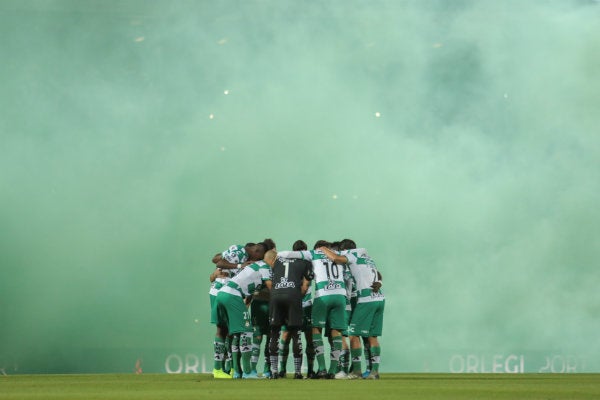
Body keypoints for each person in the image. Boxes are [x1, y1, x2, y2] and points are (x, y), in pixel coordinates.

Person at [277, 240, 347, 379]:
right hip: (340, 295)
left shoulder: (313, 254)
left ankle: (321, 369)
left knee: (316, 329)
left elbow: (287, 254)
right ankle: (332, 371)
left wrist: (274, 254)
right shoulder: (337, 254)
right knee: (336, 332)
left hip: (323, 295)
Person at [320, 240, 384, 380]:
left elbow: (336, 258)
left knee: (353, 335)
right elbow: (378, 274)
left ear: (345, 250)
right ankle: (374, 372)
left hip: (365, 299)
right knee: (372, 336)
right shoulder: (366, 257)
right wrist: (380, 282)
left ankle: (356, 371)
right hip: (379, 298)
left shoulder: (352, 255)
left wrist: (323, 249)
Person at [212, 247, 275, 379]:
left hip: (222, 294)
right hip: (232, 295)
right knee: (247, 331)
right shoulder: (265, 267)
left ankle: (237, 372)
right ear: (273, 259)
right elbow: (271, 287)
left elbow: (249, 287)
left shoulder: (255, 265)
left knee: (236, 333)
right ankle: (248, 372)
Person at [267, 242, 313, 379]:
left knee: (275, 333)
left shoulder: (277, 260)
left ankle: (274, 371)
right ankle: (298, 372)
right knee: (295, 334)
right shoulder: (305, 262)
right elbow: (305, 286)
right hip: (293, 296)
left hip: (275, 295)